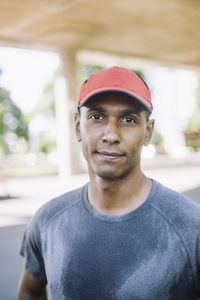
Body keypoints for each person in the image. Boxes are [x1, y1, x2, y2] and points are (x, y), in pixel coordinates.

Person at [18, 66, 200, 300]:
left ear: (148, 132)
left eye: (128, 119)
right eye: (96, 117)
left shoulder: (191, 227)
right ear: (77, 126)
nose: (111, 134)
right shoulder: (47, 220)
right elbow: (30, 292)